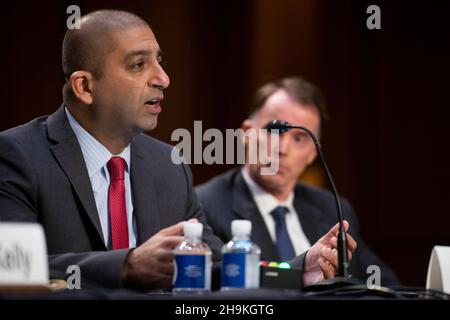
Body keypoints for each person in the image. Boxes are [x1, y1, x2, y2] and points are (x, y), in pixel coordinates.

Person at [0, 11, 355, 291]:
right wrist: (127, 265)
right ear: (85, 86)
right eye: (139, 65)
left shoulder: (168, 166)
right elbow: (12, 271)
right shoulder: (17, 155)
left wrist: (298, 269)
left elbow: (218, 265)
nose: (162, 78)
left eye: (160, 62)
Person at [196, 77, 399, 286]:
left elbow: (384, 285)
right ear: (247, 133)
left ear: (312, 153)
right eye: (274, 131)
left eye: (299, 138)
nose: (282, 149)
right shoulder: (203, 206)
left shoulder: (334, 210)